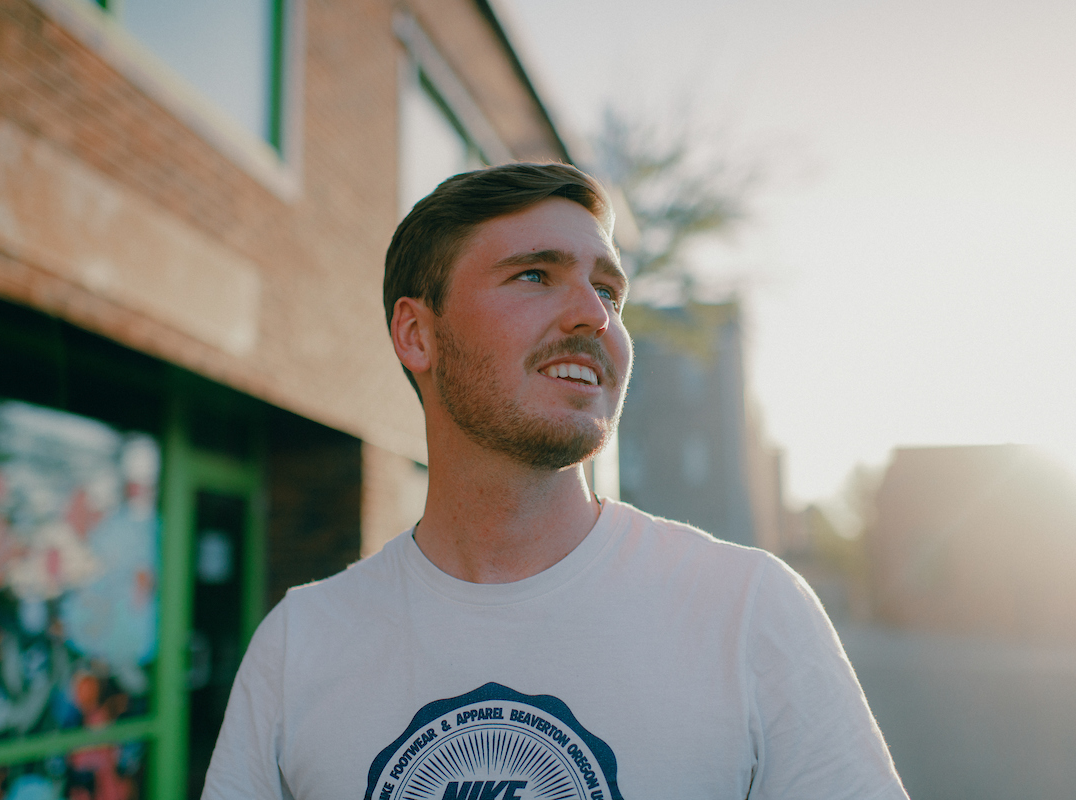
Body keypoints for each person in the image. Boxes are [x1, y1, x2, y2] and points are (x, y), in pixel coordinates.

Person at [202, 163, 908, 799]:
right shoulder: (300, 645)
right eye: (535, 275)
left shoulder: (750, 612)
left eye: (609, 291)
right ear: (416, 334)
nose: (594, 316)